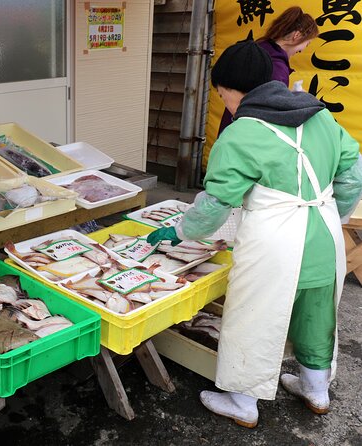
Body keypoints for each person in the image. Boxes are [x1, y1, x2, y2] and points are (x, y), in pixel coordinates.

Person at [147, 40, 362, 428]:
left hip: (274, 243)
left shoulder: (242, 132)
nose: (224, 101)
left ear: (231, 88)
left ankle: (243, 402)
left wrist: (179, 230)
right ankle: (316, 390)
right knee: (317, 313)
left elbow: (215, 205)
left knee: (254, 317)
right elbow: (353, 175)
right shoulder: (322, 117)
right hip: (326, 234)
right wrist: (332, 213)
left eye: (221, 93)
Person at [217, 7, 319, 136]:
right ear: (296, 36)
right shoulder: (277, 67)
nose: (303, 50)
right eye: (307, 43)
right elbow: (271, 110)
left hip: (231, 126)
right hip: (248, 133)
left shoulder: (259, 49)